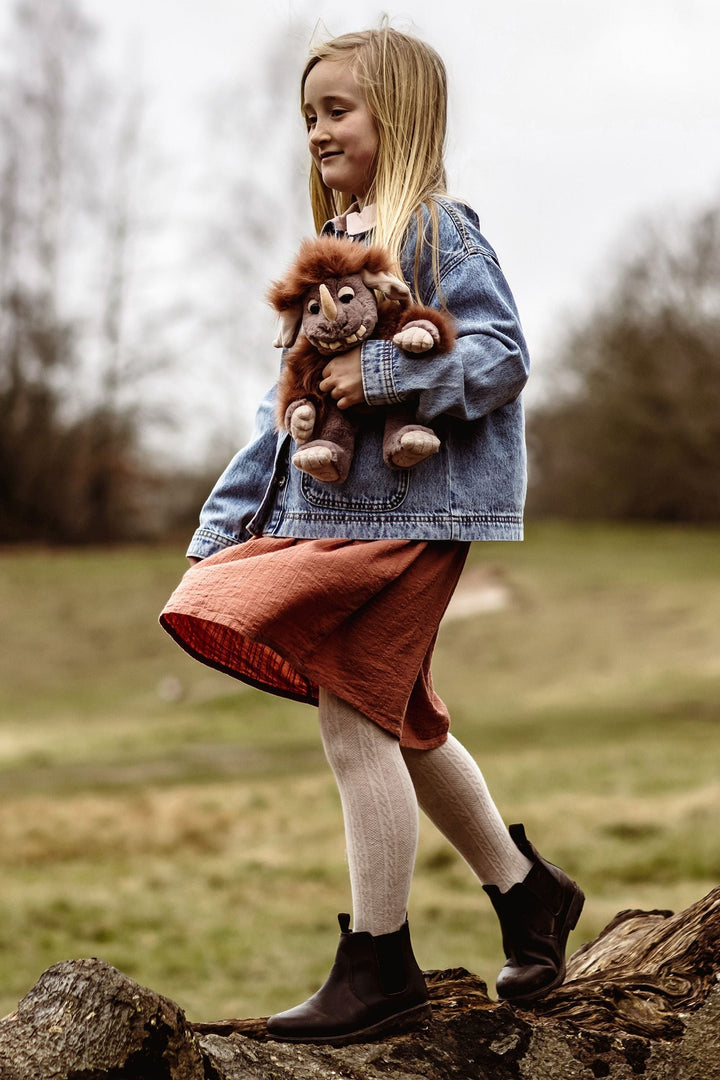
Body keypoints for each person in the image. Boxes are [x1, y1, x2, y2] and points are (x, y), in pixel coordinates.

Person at [160, 24, 584, 1046]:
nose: (316, 130)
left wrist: (390, 375)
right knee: (397, 716)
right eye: (307, 116)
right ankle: (527, 892)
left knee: (354, 718)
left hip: (412, 519)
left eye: (336, 109)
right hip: (334, 517)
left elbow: (501, 353)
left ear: (398, 115)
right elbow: (282, 415)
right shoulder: (334, 257)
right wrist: (223, 527)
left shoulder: (435, 229)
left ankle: (380, 962)